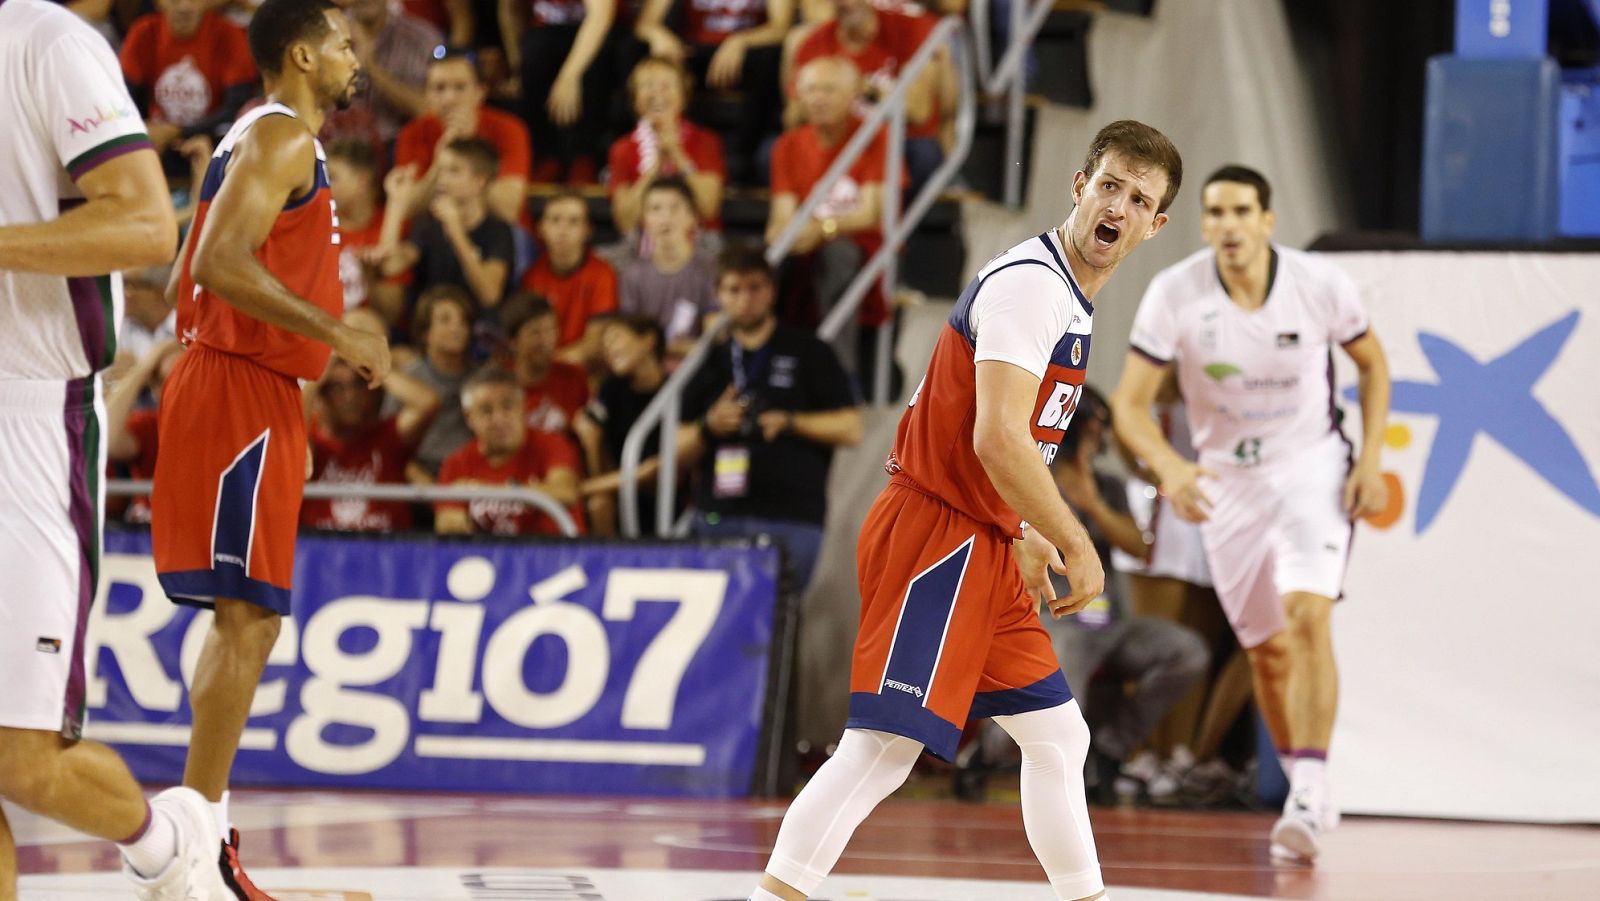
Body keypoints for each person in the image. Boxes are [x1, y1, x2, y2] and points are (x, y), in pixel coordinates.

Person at [746, 119, 1182, 901]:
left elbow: (1012, 446)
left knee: (1057, 735)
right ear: (1080, 187)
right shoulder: (1033, 286)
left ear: (1155, 225)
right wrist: (1070, 536)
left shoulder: (1070, 299)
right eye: (1109, 184)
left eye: (1139, 197)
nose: (1117, 205)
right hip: (937, 534)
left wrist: (1019, 529)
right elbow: (997, 440)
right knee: (881, 748)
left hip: (983, 537)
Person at [149, 2, 391, 898]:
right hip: (237, 388)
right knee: (246, 616)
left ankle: (199, 834)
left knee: (248, 615)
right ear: (299, 54)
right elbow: (213, 261)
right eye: (336, 41)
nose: (350, 52)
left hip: (244, 384)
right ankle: (193, 849)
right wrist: (340, 332)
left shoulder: (262, 138)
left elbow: (186, 270)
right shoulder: (283, 135)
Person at [0, 1, 225, 895]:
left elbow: (144, 225)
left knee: (22, 759)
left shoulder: (47, 42)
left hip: (31, 415)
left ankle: (169, 844)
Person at [1110, 164, 1391, 863]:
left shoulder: (1319, 284)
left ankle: (1307, 788)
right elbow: (1128, 405)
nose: (1228, 225)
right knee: (1264, 650)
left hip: (1310, 469)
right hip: (1225, 482)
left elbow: (1374, 364)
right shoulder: (1175, 292)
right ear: (1203, 224)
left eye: (1241, 211)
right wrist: (1170, 468)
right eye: (1215, 213)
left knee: (1308, 614)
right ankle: (1305, 785)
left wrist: (1369, 459)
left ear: (1267, 220)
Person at [1041, 385, 1209, 804]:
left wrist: (1093, 504)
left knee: (1186, 651)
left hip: (1111, 624)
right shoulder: (1037, 483)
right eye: (1093, 430)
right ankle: (1035, 767)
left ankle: (1111, 748)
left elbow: (1138, 545)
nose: (1098, 440)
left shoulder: (1108, 486)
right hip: (1057, 619)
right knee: (1066, 676)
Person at [681, 244, 861, 588]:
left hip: (790, 516)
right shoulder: (708, 360)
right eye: (734, 289)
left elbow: (851, 428)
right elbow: (674, 450)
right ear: (718, 294)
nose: (745, 299)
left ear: (772, 291)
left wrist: (790, 422)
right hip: (719, 515)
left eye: (755, 288)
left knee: (776, 626)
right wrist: (709, 426)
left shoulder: (809, 351)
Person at [766, 56, 892, 380]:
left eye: (829, 90)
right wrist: (792, 236)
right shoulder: (787, 145)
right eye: (810, 90)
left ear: (853, 96)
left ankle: (839, 378)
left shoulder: (875, 137)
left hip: (858, 248)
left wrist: (823, 229)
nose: (818, 98)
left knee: (838, 255)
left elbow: (870, 213)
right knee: (765, 263)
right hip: (806, 244)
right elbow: (781, 219)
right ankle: (768, 372)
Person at [790, 0, 949, 196]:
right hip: (838, 141)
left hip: (896, 140)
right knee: (777, 151)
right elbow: (792, 116)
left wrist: (861, 88)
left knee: (925, 154)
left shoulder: (907, 29)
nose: (847, 4)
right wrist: (821, 98)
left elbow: (919, 111)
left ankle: (901, 223)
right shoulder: (816, 43)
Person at [634, 0, 792, 185]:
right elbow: (645, 23)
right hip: (692, 53)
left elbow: (781, 27)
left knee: (772, 56)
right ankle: (652, 151)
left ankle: (744, 161)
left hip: (747, 55)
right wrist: (658, 35)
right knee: (637, 49)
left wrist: (740, 40)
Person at [302, 324, 440, 533]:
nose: (350, 397)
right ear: (321, 396)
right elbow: (295, 412)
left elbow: (427, 403)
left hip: (387, 556)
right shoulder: (311, 447)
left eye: (358, 385)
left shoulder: (386, 438)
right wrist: (327, 361)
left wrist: (373, 365)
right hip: (321, 556)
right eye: (337, 388)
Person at [393, 46, 532, 226]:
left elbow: (508, 209)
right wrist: (441, 163)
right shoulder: (412, 133)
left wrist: (469, 147)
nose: (449, 98)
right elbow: (407, 209)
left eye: (460, 87)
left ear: (480, 91)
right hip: (435, 229)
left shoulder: (510, 128)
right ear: (427, 94)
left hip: (498, 231)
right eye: (439, 88)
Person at [436, 366, 583, 535]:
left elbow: (565, 492)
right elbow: (447, 526)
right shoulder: (455, 463)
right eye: (486, 410)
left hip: (554, 555)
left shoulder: (552, 444)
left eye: (507, 407)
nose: (498, 419)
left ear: (523, 408)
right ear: (469, 418)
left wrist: (484, 491)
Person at [378, 135, 516, 313]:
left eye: (454, 171)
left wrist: (456, 230)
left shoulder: (498, 231)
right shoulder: (428, 225)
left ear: (479, 181)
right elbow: (391, 266)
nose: (442, 180)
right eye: (441, 170)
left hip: (480, 330)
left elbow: (489, 295)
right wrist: (396, 204)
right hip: (430, 328)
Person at [575, 315, 675, 535]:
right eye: (605, 346)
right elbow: (599, 467)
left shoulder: (678, 389)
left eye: (615, 339)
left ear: (649, 340)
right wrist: (592, 442)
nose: (609, 350)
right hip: (621, 489)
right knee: (599, 504)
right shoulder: (612, 389)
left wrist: (581, 489)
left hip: (666, 497)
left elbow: (655, 472)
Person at [120, 0, 259, 156]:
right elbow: (123, 99)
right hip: (155, 141)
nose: (184, 7)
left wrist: (178, 132)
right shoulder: (143, 32)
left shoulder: (229, 35)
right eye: (175, 0)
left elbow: (237, 108)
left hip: (213, 142)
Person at [608, 56, 727, 235]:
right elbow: (625, 223)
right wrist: (654, 169)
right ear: (635, 101)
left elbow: (709, 209)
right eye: (648, 86)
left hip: (699, 246)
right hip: (643, 248)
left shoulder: (706, 141)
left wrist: (678, 154)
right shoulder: (622, 148)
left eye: (666, 86)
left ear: (683, 97)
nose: (657, 94)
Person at [500, 0, 616, 184]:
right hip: (547, 31)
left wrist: (569, 77)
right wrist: (516, 69)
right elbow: (509, 12)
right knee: (534, 55)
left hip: (592, 30)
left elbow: (600, 17)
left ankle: (584, 157)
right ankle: (547, 157)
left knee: (597, 61)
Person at [619, 176, 720, 358]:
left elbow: (716, 338)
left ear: (692, 217)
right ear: (643, 220)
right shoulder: (632, 274)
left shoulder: (711, 270)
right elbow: (630, 338)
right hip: (649, 368)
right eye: (655, 209)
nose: (665, 218)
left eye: (675, 208)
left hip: (696, 368)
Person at [520, 192, 619, 364]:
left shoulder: (603, 273)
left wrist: (551, 364)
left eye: (573, 222)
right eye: (555, 220)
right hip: (544, 365)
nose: (563, 230)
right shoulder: (531, 276)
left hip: (584, 368)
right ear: (541, 228)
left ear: (587, 230)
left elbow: (594, 344)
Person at [331, 0, 442, 146]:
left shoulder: (422, 39)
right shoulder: (328, 34)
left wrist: (373, 69)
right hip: (337, 148)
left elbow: (430, 110)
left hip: (396, 147)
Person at [399, 285, 478, 481]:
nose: (457, 328)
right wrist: (425, 485)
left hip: (471, 475)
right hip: (416, 475)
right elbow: (388, 442)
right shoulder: (408, 380)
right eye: (445, 320)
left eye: (463, 321)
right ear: (425, 332)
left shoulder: (482, 379)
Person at [501, 292, 589, 438]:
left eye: (551, 330)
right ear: (513, 341)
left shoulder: (574, 376)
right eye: (535, 333)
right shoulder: (499, 386)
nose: (546, 340)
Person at [325, 139, 391, 314]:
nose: (323, 186)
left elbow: (393, 313)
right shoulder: (318, 229)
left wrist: (370, 277)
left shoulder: (390, 226)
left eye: (332, 177)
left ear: (362, 181)